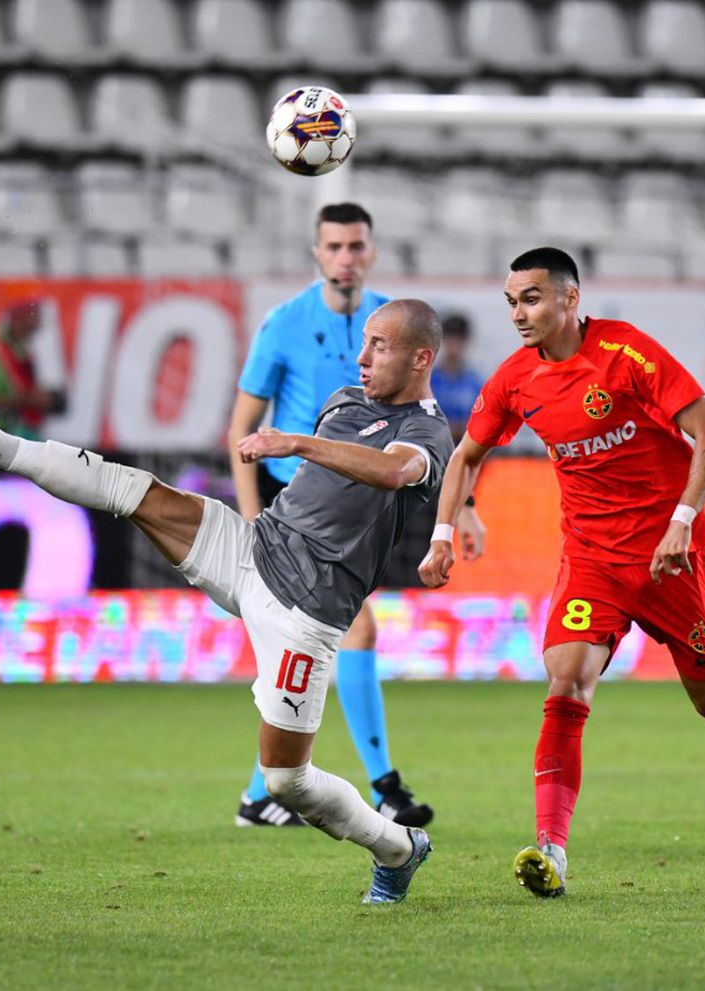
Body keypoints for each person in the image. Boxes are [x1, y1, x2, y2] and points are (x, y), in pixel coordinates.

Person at [0, 299, 451, 904]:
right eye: (363, 342)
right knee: (135, 491)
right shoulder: (345, 399)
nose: (362, 357)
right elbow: (320, 491)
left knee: (285, 780)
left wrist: (298, 444)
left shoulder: (427, 432)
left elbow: (391, 473)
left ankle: (397, 849)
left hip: (305, 614)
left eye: (380, 346)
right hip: (254, 549)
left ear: (421, 357)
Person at [419, 247, 705, 899]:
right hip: (592, 559)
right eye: (511, 302)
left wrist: (682, 519)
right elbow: (466, 453)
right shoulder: (514, 379)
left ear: (570, 299)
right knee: (566, 682)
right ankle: (551, 849)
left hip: (669, 558)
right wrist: (446, 531)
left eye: (531, 298)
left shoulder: (627, 356)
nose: (518, 313)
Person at [226, 201, 481, 828]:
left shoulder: (391, 322)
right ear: (316, 253)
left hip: (364, 510)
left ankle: (263, 792)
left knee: (313, 649)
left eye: (356, 246)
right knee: (354, 634)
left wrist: (464, 505)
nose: (346, 257)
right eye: (334, 246)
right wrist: (257, 521)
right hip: (297, 513)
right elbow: (241, 429)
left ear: (371, 251)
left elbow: (426, 432)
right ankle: (380, 785)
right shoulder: (283, 324)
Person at [0, 296, 66, 440]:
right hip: (1, 437)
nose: (38, 322)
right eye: (32, 315)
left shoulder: (25, 352)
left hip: (22, 434)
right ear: (17, 319)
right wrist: (28, 401)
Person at [429, 312, 484, 443]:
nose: (454, 345)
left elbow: (482, 422)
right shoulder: (428, 381)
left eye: (459, 339)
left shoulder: (474, 383)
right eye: (450, 338)